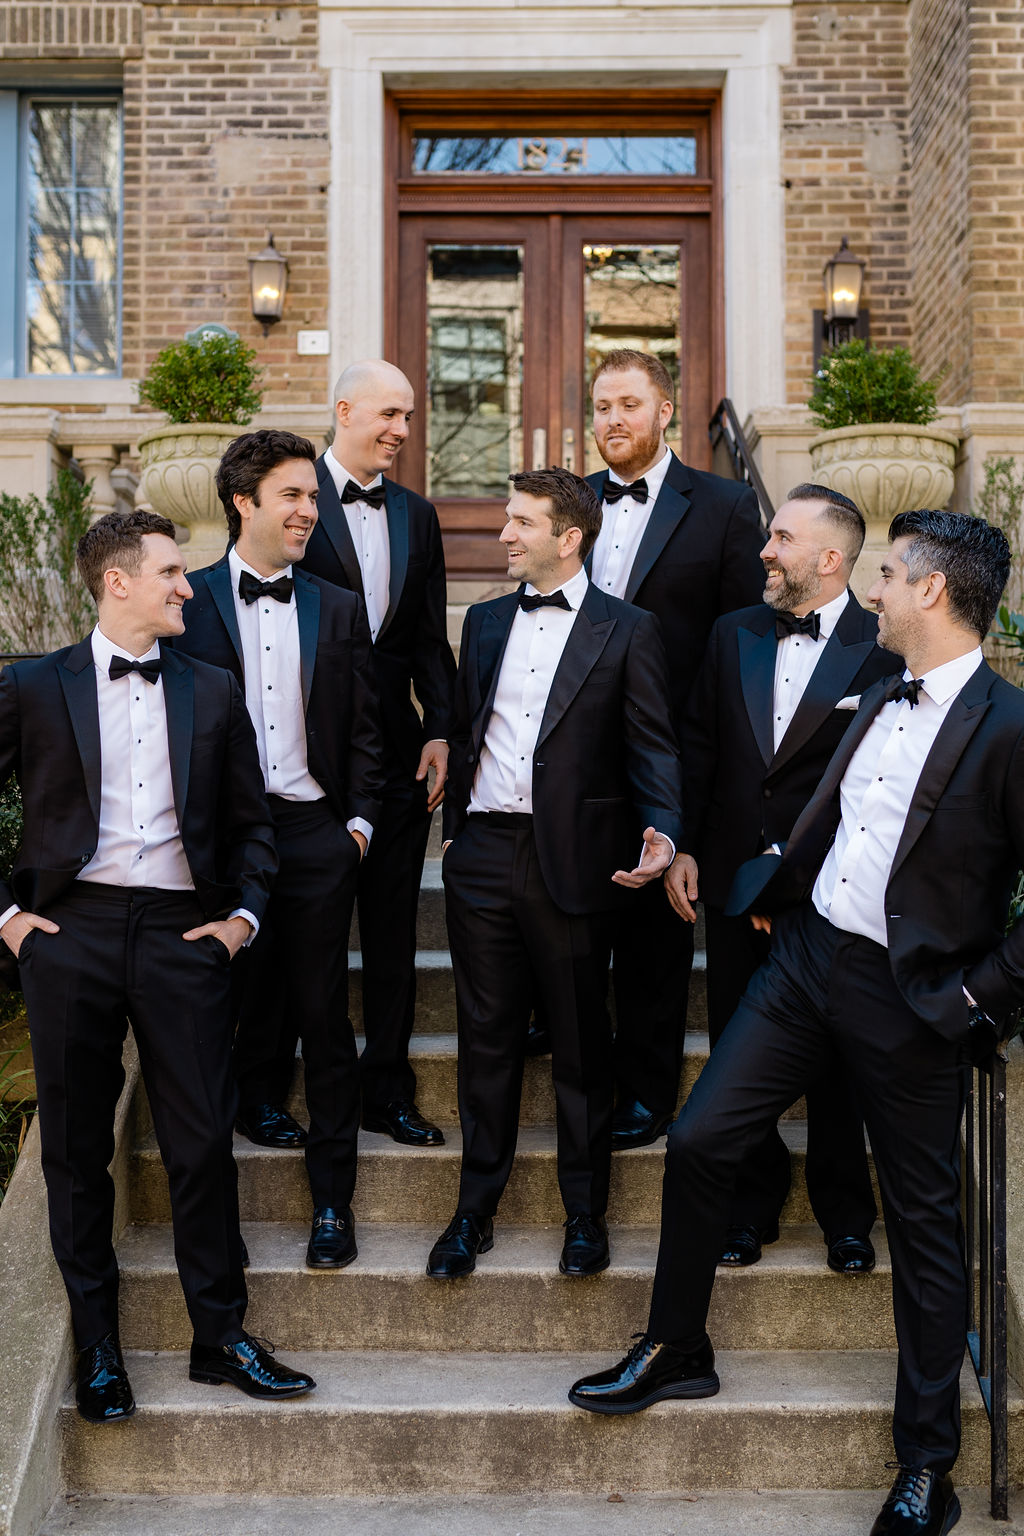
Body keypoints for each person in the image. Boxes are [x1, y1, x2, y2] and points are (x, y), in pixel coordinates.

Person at [569, 509, 1023, 1536]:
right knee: (700, 1139)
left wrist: (974, 998)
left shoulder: (1008, 726)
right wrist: (784, 885)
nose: (875, 590)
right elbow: (840, 813)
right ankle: (677, 1347)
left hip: (912, 998)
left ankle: (927, 1463)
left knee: (925, 1229)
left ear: (932, 592)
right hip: (805, 961)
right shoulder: (879, 688)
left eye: (890, 575)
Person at [0, 510, 314, 1423]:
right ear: (118, 582)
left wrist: (241, 920)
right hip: (71, 934)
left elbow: (253, 823)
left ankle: (220, 1337)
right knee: (75, 1152)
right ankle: (99, 1350)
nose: (188, 587)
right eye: (172, 573)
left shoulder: (211, 689)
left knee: (201, 1143)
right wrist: (10, 921)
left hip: (185, 936)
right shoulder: (33, 685)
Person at [428, 467, 684, 1281]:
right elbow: (469, 727)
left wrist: (665, 832)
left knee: (579, 1043)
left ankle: (585, 1214)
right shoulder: (485, 621)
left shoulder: (629, 629)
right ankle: (473, 1211)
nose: (504, 534)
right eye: (507, 519)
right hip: (483, 857)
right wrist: (456, 837)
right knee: (485, 1041)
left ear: (569, 538)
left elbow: (652, 744)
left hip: (573, 859)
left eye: (521, 522)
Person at [172, 430, 385, 1269]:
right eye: (292, 495)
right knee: (219, 1005)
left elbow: (364, 726)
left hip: (311, 833)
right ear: (243, 501)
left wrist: (357, 826)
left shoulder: (339, 606)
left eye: (312, 497)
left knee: (324, 1016)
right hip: (219, 842)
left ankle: (333, 1203)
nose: (309, 511)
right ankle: (220, 1195)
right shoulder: (185, 600)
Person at [680, 483, 899, 1271]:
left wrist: (792, 877)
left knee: (839, 1053)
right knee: (738, 1046)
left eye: (781, 539)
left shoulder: (883, 648)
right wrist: (684, 846)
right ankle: (749, 1206)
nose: (765, 551)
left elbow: (879, 786)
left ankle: (846, 1215)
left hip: (828, 891)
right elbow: (701, 748)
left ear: (830, 558)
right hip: (732, 881)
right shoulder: (731, 631)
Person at [581, 348, 766, 1150]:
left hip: (673, 751)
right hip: (574, 754)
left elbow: (741, 642)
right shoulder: (571, 502)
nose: (613, 419)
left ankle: (647, 1090)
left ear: (664, 411)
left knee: (655, 939)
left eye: (628, 404)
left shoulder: (724, 505)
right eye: (601, 406)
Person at [302, 359, 456, 1148]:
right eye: (389, 414)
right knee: (311, 935)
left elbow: (428, 635)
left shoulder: (417, 515)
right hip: (308, 758)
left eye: (408, 417)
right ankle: (291, 1087)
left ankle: (388, 1090)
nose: (401, 430)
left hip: (398, 756)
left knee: (393, 934)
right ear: (344, 411)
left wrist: (441, 728)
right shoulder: (294, 498)